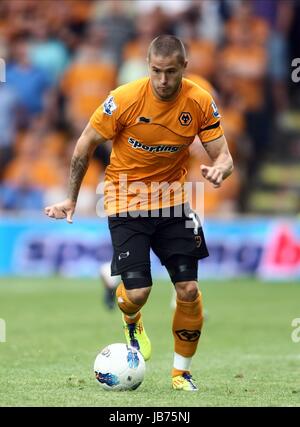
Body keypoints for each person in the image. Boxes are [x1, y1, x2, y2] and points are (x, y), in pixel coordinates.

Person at [45, 35, 233, 391]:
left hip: (174, 201)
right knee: (138, 294)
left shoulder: (200, 101)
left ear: (184, 68)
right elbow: (84, 145)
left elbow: (224, 154)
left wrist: (221, 168)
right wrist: (70, 198)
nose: (163, 80)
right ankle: (131, 319)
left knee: (189, 289)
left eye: (171, 72)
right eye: (156, 71)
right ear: (148, 66)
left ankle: (181, 373)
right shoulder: (124, 99)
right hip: (124, 201)